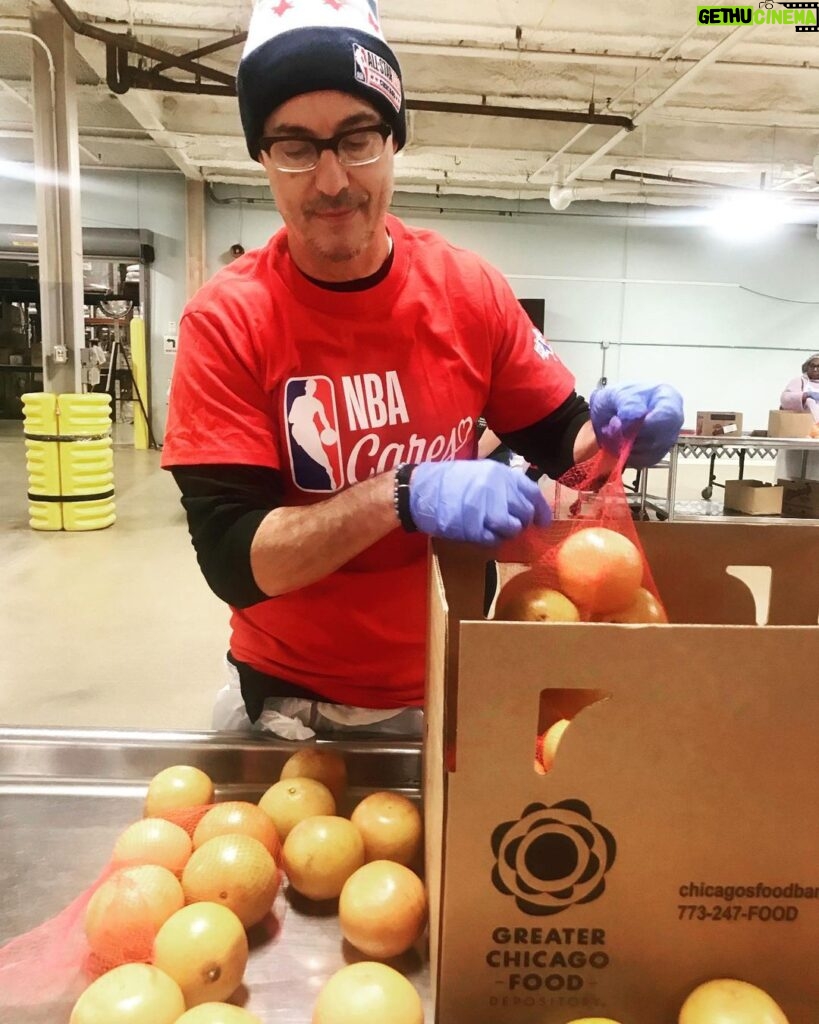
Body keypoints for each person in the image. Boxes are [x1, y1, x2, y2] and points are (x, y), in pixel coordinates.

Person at [161, 0, 684, 740]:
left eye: (357, 138)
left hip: (457, 681)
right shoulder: (227, 322)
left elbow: (557, 437)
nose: (333, 180)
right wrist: (399, 495)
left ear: (394, 139)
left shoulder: (465, 291)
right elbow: (234, 558)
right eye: (296, 147)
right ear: (262, 158)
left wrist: (613, 431)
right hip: (290, 703)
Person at [776, 354, 819, 482]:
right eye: (813, 366)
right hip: (799, 435)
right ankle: (793, 494)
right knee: (795, 469)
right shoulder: (798, 382)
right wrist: (804, 396)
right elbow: (785, 399)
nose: (816, 370)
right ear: (807, 367)